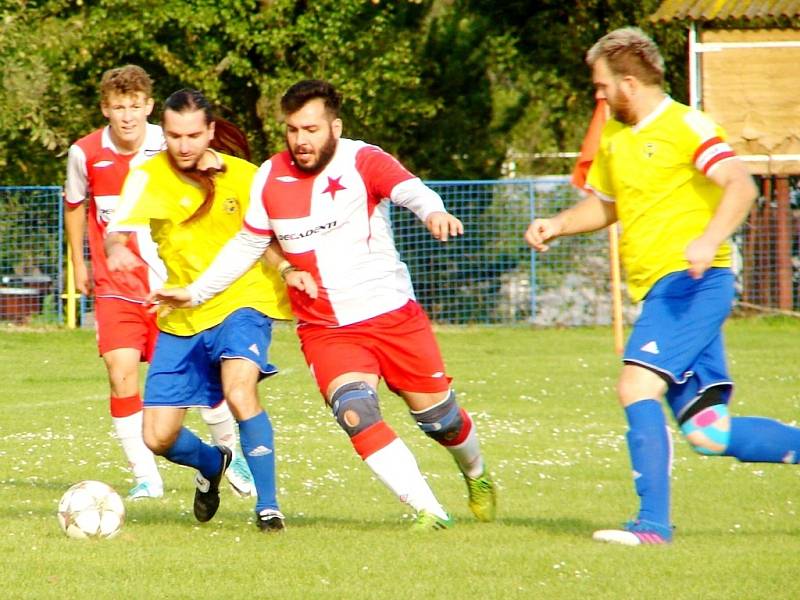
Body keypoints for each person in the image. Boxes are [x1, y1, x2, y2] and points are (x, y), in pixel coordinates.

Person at [151, 79, 497, 530]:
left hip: (391, 315)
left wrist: (432, 211)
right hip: (326, 328)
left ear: (335, 126)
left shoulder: (363, 159)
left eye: (310, 129)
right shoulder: (270, 177)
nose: (301, 140)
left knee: (440, 420)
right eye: (293, 129)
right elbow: (248, 244)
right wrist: (195, 292)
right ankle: (429, 510)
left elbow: (411, 190)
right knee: (356, 411)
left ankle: (476, 474)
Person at [525, 27, 800, 546]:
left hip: (694, 282)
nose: (598, 95)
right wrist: (558, 224)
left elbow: (741, 185)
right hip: (662, 291)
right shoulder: (614, 134)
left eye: (602, 86)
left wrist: (709, 238)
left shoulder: (685, 126)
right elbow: (607, 204)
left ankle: (652, 526)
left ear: (629, 83)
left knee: (635, 385)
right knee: (709, 433)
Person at [64, 65, 256, 501]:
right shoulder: (85, 153)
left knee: (206, 382)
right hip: (117, 285)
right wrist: (78, 261)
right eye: (118, 107)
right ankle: (145, 475)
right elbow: (75, 205)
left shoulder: (170, 144)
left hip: (173, 284)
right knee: (121, 371)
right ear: (105, 109)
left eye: (135, 106)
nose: (127, 116)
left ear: (149, 106)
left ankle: (231, 455)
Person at [104, 88, 292, 532]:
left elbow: (263, 241)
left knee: (240, 389)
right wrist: (115, 250)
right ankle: (213, 462)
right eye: (174, 136)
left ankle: (268, 507)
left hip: (243, 301)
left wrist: (286, 269)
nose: (184, 146)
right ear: (163, 133)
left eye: (192, 135)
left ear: (210, 131)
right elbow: (119, 229)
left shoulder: (246, 177)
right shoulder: (147, 176)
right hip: (182, 312)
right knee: (157, 437)